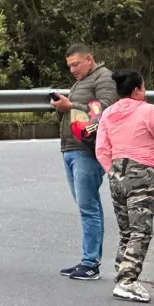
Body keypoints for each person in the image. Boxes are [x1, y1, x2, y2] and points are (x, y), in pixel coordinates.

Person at [95, 70, 154, 303]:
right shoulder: (147, 110)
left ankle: (122, 272)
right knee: (141, 230)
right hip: (140, 171)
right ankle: (127, 281)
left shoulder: (109, 113)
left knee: (127, 230)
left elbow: (101, 148)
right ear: (137, 90)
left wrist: (112, 171)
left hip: (116, 171)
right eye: (143, 87)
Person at [51, 43, 118, 281]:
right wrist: (62, 109)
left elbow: (107, 110)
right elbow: (81, 111)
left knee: (88, 208)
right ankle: (88, 260)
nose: (72, 69)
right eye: (69, 66)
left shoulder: (103, 77)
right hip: (70, 148)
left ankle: (91, 263)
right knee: (87, 206)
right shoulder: (81, 82)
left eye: (75, 64)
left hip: (87, 151)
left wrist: (71, 105)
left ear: (89, 59)